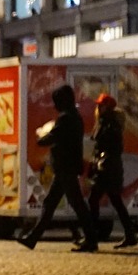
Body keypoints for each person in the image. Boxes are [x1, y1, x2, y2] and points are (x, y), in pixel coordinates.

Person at [18, 84, 98, 251]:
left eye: (56, 101)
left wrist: (40, 136)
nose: (54, 105)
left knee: (75, 205)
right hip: (67, 167)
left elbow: (52, 137)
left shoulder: (66, 118)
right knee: (54, 203)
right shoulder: (75, 117)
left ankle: (91, 240)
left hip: (65, 168)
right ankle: (33, 237)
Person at [86, 93, 137, 249]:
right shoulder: (111, 123)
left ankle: (91, 236)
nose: (98, 108)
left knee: (94, 200)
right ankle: (130, 235)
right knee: (115, 201)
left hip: (107, 168)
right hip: (111, 167)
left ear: (107, 107)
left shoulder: (107, 123)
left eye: (101, 105)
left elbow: (102, 143)